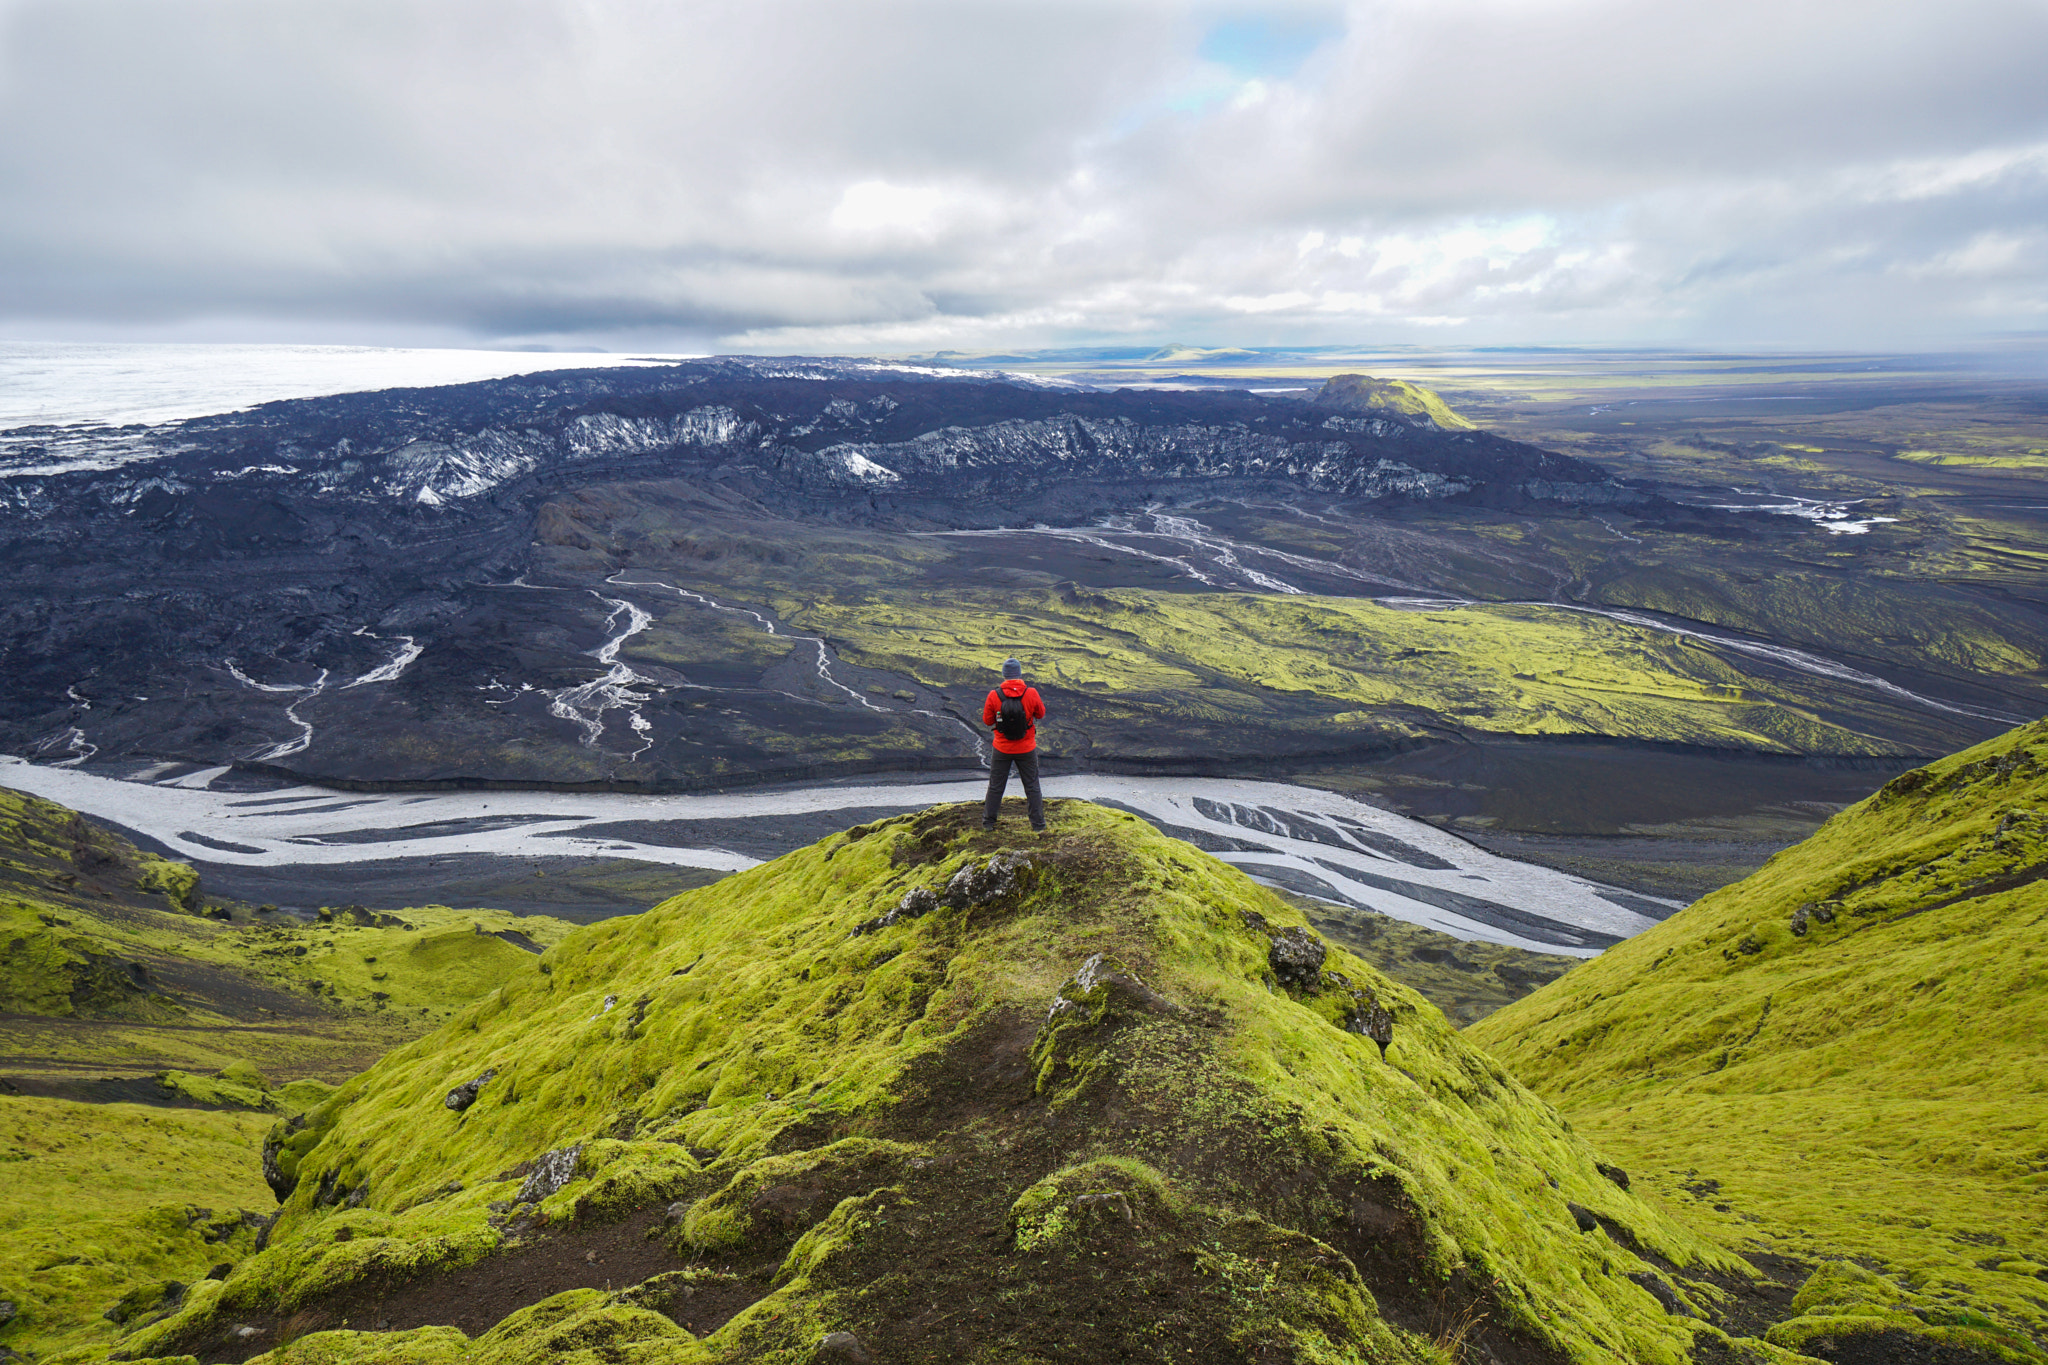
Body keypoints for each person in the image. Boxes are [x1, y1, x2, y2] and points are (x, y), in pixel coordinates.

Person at [982, 657, 1048, 831]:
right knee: (1032, 786)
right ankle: (1038, 825)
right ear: (1019, 674)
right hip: (1026, 748)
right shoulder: (1031, 693)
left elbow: (987, 721)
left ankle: (988, 823)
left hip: (1001, 748)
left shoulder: (994, 695)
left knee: (996, 786)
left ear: (1004, 675)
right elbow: (1040, 714)